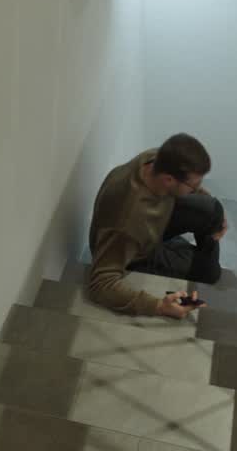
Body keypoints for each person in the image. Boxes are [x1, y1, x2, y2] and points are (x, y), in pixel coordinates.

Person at [86, 133, 229, 319]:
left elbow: (198, 197)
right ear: (169, 180)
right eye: (193, 186)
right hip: (131, 251)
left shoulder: (154, 159)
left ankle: (191, 255)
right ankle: (193, 260)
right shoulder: (127, 221)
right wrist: (159, 307)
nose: (197, 190)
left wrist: (216, 216)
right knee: (209, 272)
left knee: (212, 210)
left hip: (151, 220)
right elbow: (100, 285)